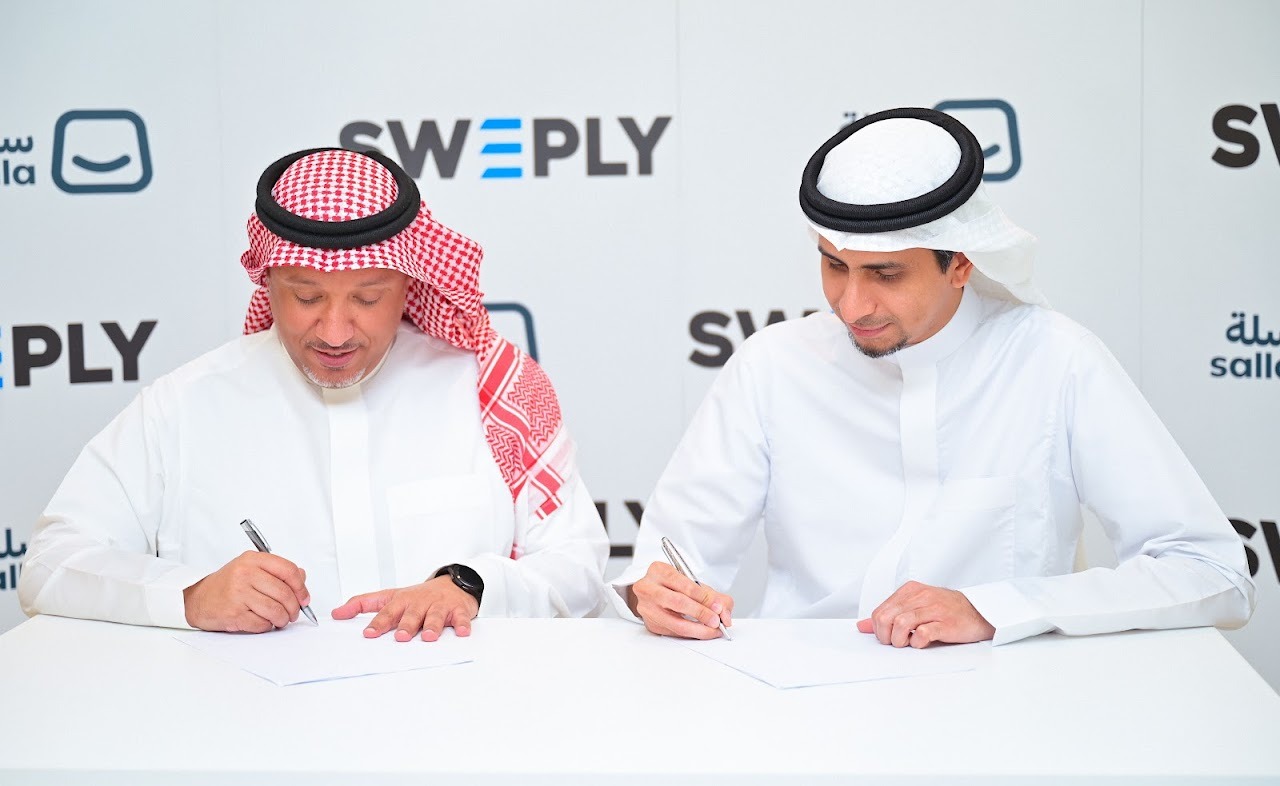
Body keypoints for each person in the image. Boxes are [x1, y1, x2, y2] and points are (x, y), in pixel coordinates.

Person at [612, 107, 1255, 647]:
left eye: (886, 274)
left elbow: (1213, 572)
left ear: (961, 263)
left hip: (1005, 713)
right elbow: (665, 567)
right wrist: (655, 596)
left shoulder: (1055, 361)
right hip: (802, 712)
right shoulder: (772, 366)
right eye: (834, 266)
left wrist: (995, 608)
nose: (851, 305)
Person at [20, 148, 608, 640]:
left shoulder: (491, 389)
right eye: (306, 297)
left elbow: (578, 563)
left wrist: (473, 587)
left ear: (409, 284)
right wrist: (190, 595)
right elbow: (50, 562)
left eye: (368, 298)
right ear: (268, 279)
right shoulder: (185, 406)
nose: (334, 331)